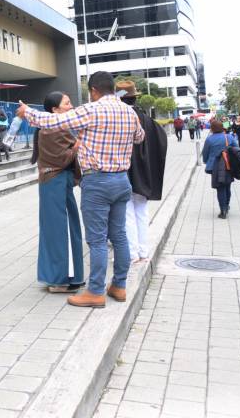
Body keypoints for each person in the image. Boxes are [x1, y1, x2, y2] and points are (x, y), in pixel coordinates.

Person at [17, 71, 144, 308]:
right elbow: (139, 137)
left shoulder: (92, 110)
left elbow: (52, 121)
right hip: (122, 180)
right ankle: (119, 285)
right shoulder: (129, 112)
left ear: (94, 90)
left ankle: (95, 291)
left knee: (96, 240)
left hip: (97, 182)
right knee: (119, 236)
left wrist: (27, 113)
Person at [30, 91, 84, 293]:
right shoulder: (54, 129)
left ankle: (62, 277)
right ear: (55, 109)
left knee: (59, 229)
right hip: (56, 183)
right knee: (63, 230)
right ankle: (62, 279)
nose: (71, 106)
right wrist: (78, 145)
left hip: (54, 183)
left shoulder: (52, 127)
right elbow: (63, 159)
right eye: (67, 103)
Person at [117, 81, 168, 264]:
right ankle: (144, 251)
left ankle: (132, 253)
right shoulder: (148, 120)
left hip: (125, 172)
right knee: (141, 211)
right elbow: (161, 142)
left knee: (127, 213)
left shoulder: (120, 118)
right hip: (145, 173)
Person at [202, 120, 238, 219]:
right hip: (228, 165)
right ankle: (226, 205)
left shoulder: (209, 139)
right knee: (227, 186)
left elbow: (205, 153)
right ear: (222, 127)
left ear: (212, 128)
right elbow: (236, 148)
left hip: (215, 167)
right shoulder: (229, 137)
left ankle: (223, 210)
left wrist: (206, 161)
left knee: (220, 188)